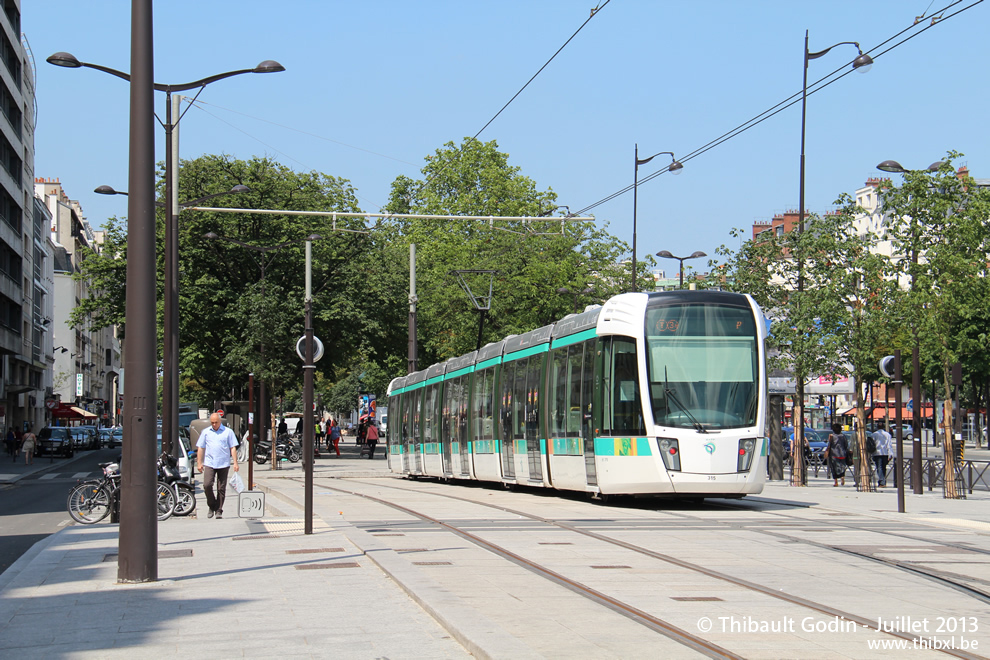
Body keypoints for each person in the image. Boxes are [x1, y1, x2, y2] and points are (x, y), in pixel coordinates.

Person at [196, 413, 239, 519]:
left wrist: (235, 462)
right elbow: (200, 448)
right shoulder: (206, 432)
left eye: (216, 422)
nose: (214, 424)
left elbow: (232, 447)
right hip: (210, 463)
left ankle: (219, 509)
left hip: (223, 463)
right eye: (212, 423)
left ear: (220, 422)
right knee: (207, 485)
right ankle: (212, 505)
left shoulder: (228, 432)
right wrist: (199, 463)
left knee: (221, 488)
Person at [825, 423, 849, 487]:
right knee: (842, 466)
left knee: (834, 468)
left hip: (834, 454)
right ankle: (842, 477)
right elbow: (846, 445)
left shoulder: (832, 436)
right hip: (842, 454)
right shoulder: (843, 436)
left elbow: (829, 444)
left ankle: (836, 482)